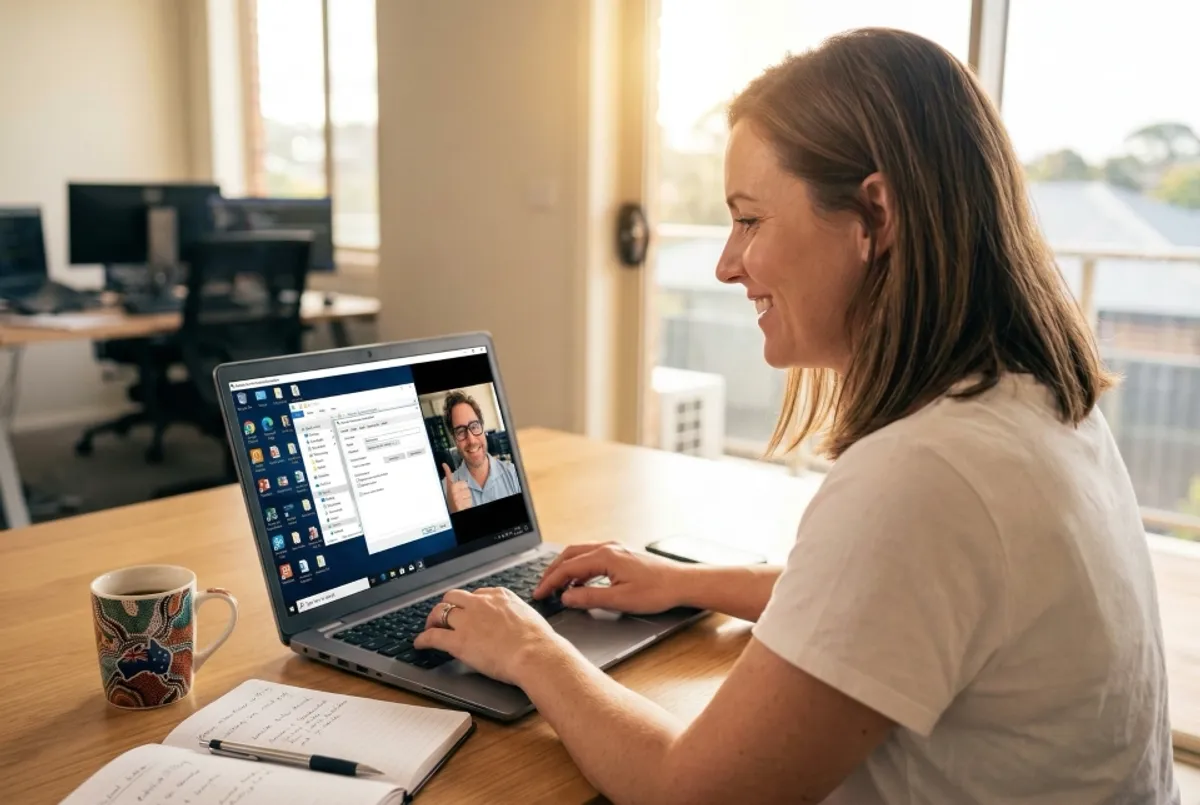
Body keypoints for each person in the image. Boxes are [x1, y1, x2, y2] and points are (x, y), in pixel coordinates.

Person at [413, 29, 1179, 804]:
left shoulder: (926, 474)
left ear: (874, 214)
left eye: (749, 220)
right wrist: (685, 581)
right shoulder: (1032, 401)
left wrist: (532, 649)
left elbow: (687, 792)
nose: (726, 263)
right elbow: (883, 600)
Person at [440, 390, 520, 512]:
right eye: (461, 431)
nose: (471, 440)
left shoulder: (515, 475)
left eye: (474, 426)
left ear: (482, 427)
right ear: (454, 439)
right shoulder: (445, 491)